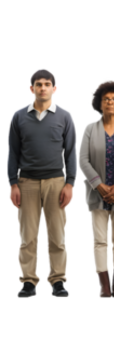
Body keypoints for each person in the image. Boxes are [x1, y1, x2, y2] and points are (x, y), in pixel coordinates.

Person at [12, 68, 77, 299]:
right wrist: (13, 184)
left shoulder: (65, 116)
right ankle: (28, 281)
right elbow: (13, 154)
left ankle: (58, 280)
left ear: (55, 89)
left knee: (58, 235)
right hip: (26, 182)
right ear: (31, 89)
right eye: (38, 84)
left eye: (46, 84)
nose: (42, 88)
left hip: (57, 182)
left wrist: (70, 183)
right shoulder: (18, 117)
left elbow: (71, 153)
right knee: (28, 235)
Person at [78, 78, 114, 299]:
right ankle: (104, 286)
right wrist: (99, 186)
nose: (110, 102)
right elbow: (83, 160)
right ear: (99, 103)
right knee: (100, 240)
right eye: (106, 99)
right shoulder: (89, 128)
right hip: (97, 194)